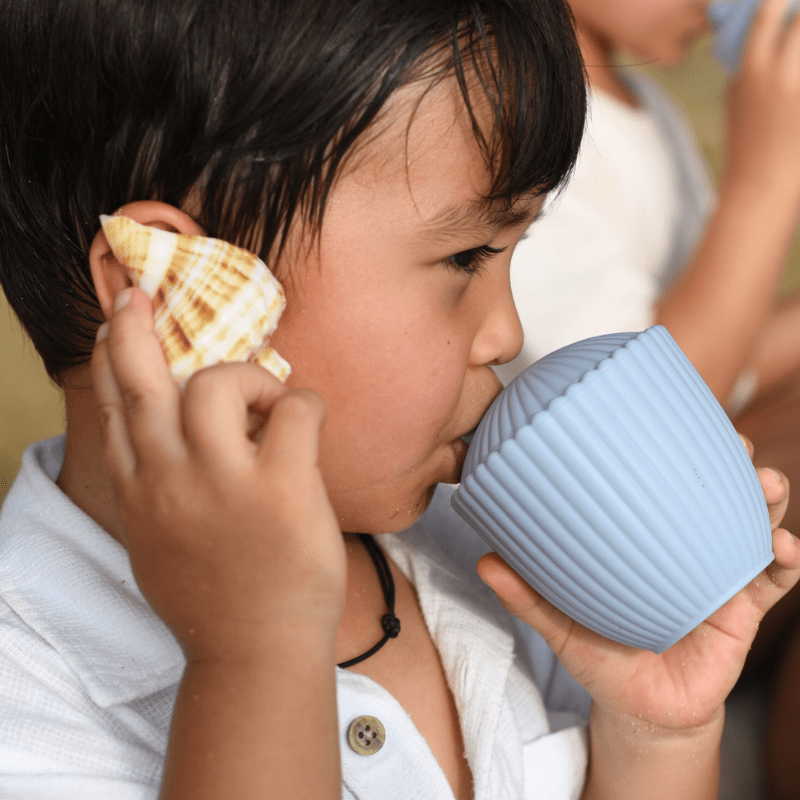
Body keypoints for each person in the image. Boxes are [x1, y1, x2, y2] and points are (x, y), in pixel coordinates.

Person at [0, 1, 797, 798]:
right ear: (172, 284)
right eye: (465, 256)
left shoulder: (476, 557)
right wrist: (255, 654)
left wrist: (655, 735)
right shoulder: (29, 694)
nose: (508, 334)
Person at [497, 0, 800, 518]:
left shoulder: (645, 104)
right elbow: (646, 421)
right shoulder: (521, 115)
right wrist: (769, 176)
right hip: (588, 515)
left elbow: (728, 355)